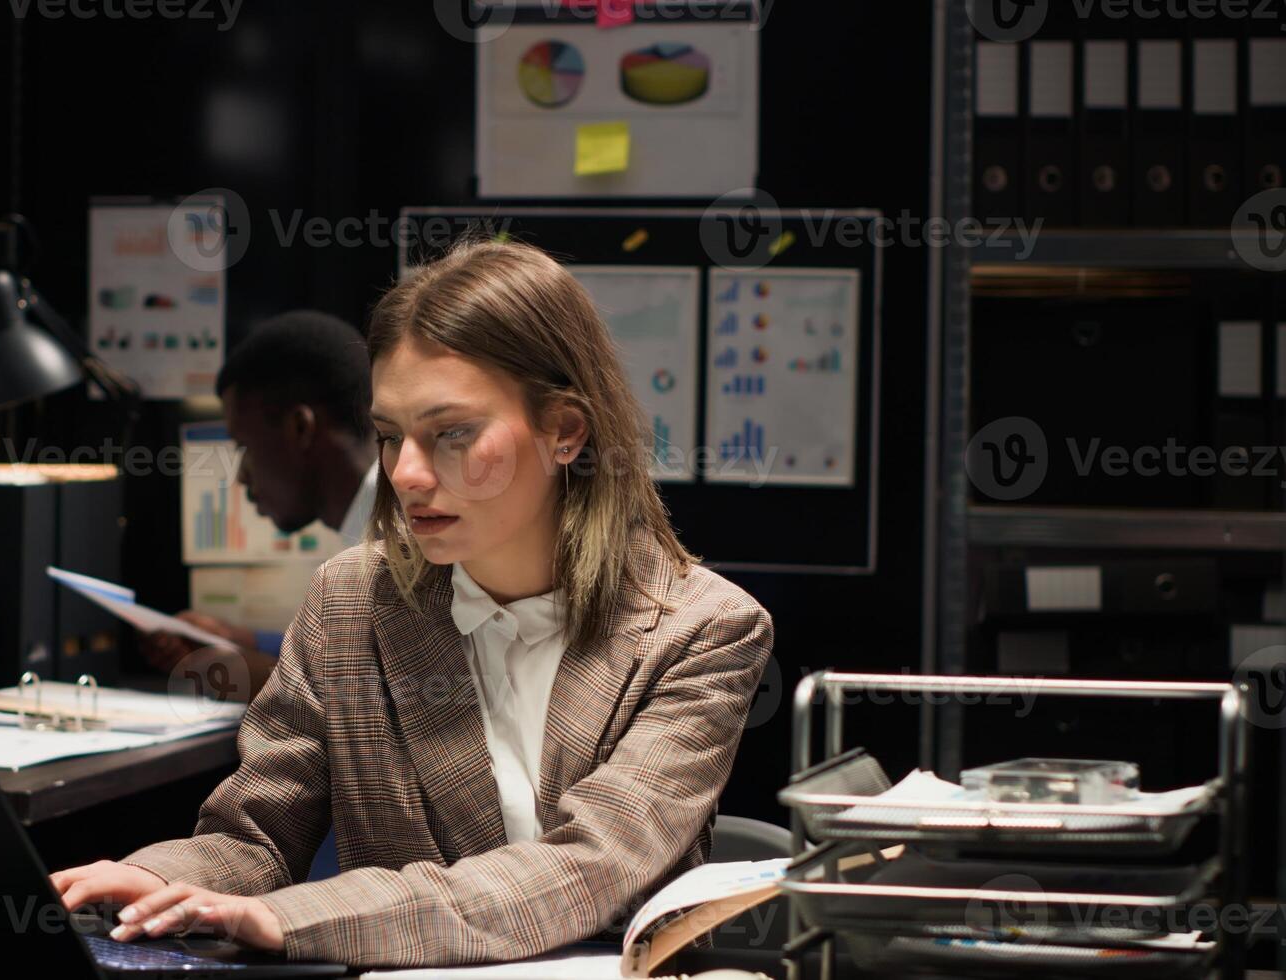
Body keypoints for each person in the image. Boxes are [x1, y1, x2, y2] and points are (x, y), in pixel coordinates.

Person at [54, 240, 774, 967]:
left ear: (563, 430)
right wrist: (154, 878)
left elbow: (586, 869)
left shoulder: (703, 628)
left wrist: (285, 918)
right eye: (390, 436)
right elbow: (257, 834)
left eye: (451, 434)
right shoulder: (349, 600)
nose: (405, 473)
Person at [139, 310, 378, 701]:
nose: (242, 478)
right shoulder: (369, 531)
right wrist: (244, 639)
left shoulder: (404, 545)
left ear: (300, 428)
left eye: (243, 447)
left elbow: (387, 700)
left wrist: (254, 676)